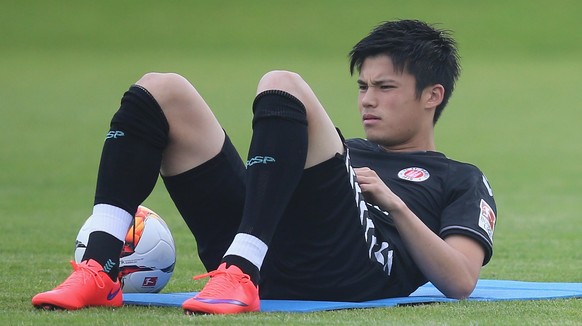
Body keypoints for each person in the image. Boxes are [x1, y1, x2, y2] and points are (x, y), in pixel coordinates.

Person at [32, 19, 497, 314]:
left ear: (432, 95)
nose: (367, 100)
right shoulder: (345, 149)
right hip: (269, 248)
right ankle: (98, 266)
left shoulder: (459, 178)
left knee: (282, 83)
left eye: (385, 87)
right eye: (362, 86)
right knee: (161, 88)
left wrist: (393, 203)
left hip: (348, 272)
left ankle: (240, 268)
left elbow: (459, 280)